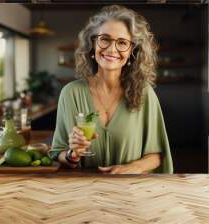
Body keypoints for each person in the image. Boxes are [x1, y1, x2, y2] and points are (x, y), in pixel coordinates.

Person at [48, 5, 173, 174]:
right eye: (105, 39)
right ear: (93, 43)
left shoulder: (144, 93)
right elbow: (58, 153)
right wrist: (73, 154)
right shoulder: (70, 93)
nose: (112, 49)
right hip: (84, 192)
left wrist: (129, 169)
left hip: (131, 192)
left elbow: (156, 156)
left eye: (122, 42)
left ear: (132, 51)